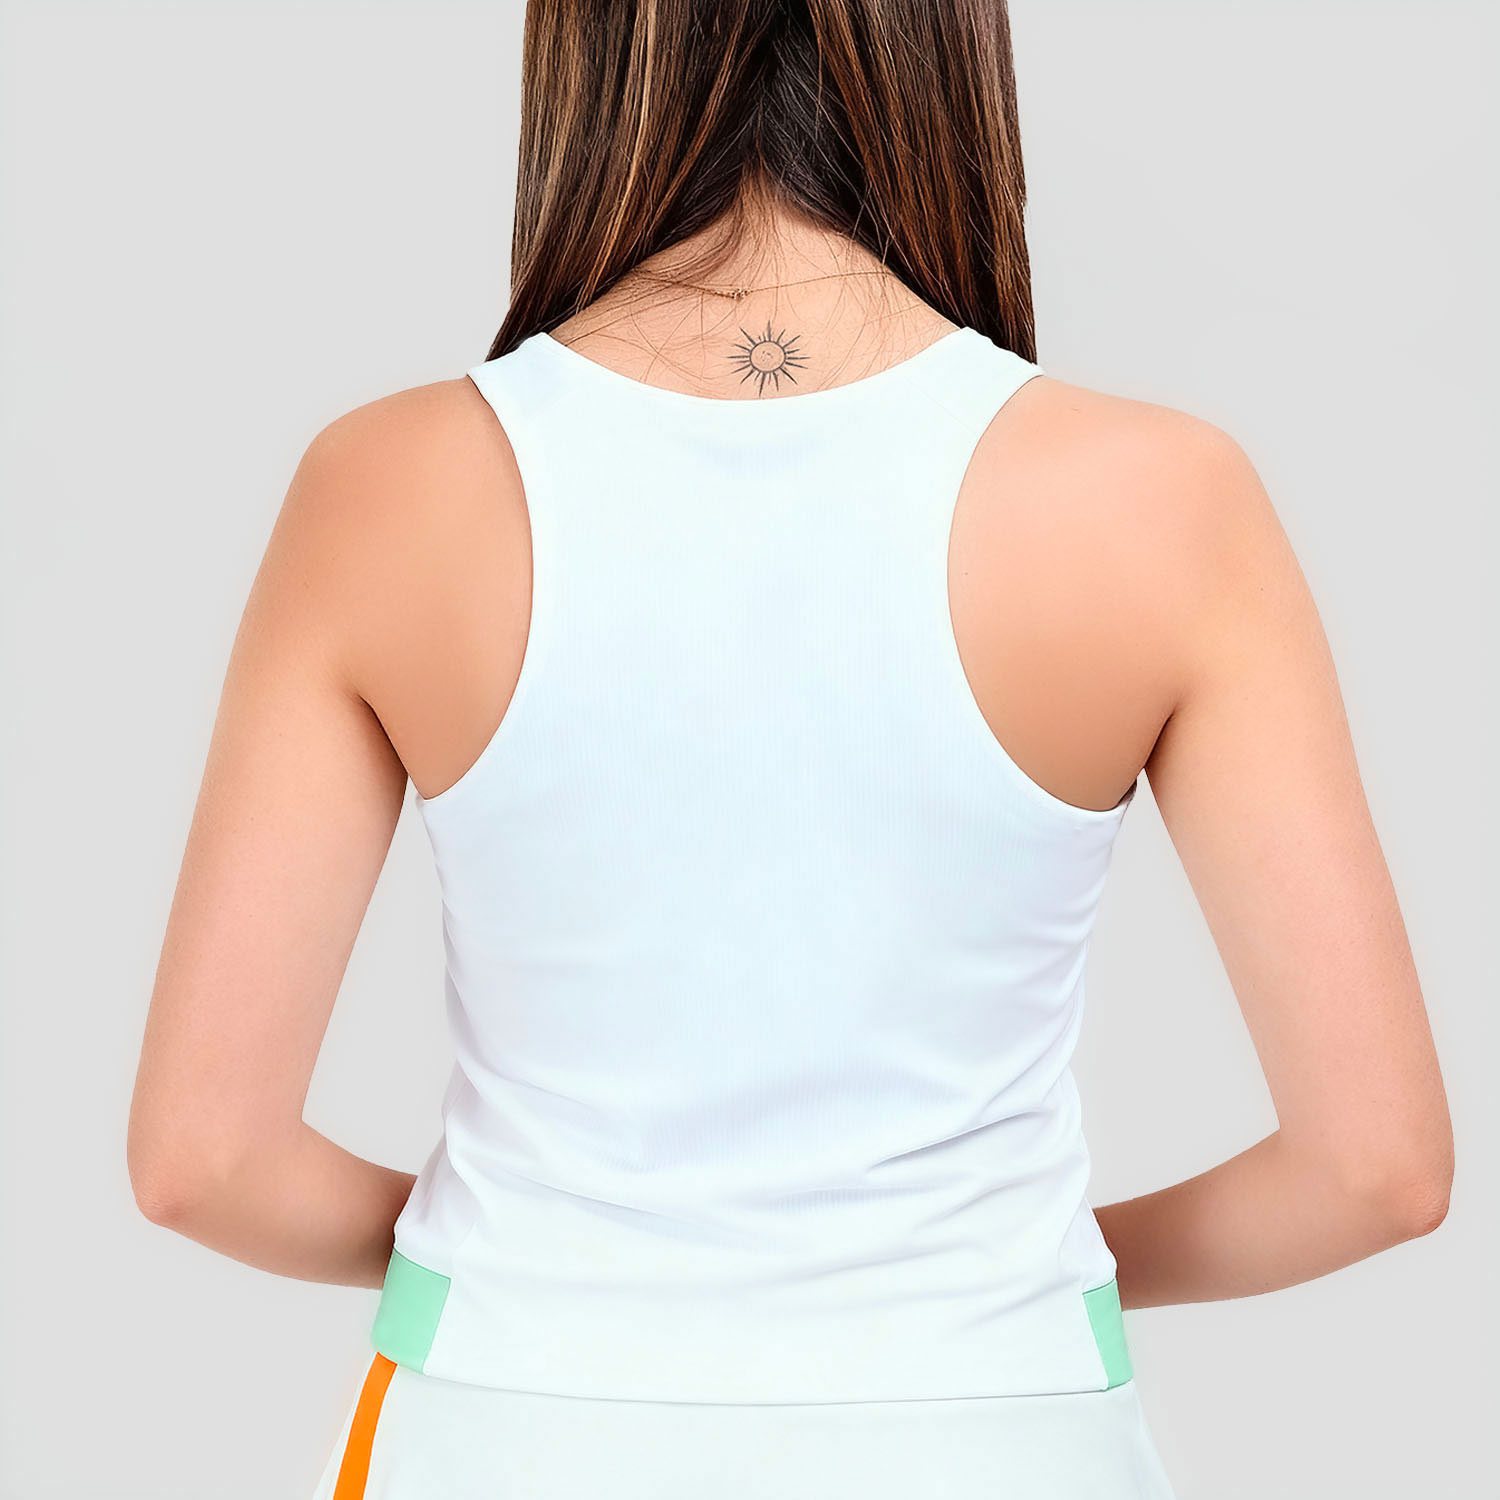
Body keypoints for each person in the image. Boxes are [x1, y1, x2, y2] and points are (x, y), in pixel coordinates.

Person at [126, 2, 1453, 1496]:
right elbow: (1375, 1170)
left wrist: (533, 1259)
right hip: (1002, 1428)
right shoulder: (1163, 500)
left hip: (510, 1425)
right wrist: (1001, 1276)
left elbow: (205, 1163)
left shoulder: (387, 487)